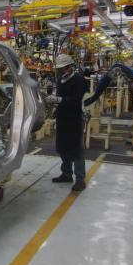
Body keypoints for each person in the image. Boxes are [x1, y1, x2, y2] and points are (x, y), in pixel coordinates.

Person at [45, 54, 88, 191]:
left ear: (70, 67)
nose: (62, 71)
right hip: (63, 118)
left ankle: (80, 179)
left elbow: (75, 100)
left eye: (64, 68)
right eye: (60, 69)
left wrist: (58, 100)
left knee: (76, 149)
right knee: (63, 147)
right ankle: (66, 173)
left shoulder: (79, 80)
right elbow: (60, 98)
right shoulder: (60, 80)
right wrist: (55, 109)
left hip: (75, 118)